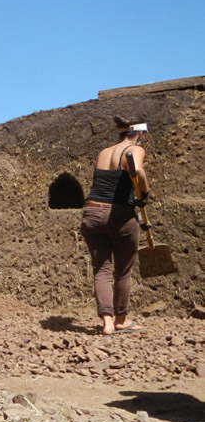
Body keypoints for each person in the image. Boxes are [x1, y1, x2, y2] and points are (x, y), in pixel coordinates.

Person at [80, 116, 150, 336]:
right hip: (118, 214)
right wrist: (144, 193)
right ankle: (120, 320)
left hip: (91, 214)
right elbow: (137, 170)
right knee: (123, 271)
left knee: (101, 270)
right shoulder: (134, 149)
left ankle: (107, 322)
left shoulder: (104, 152)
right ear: (140, 134)